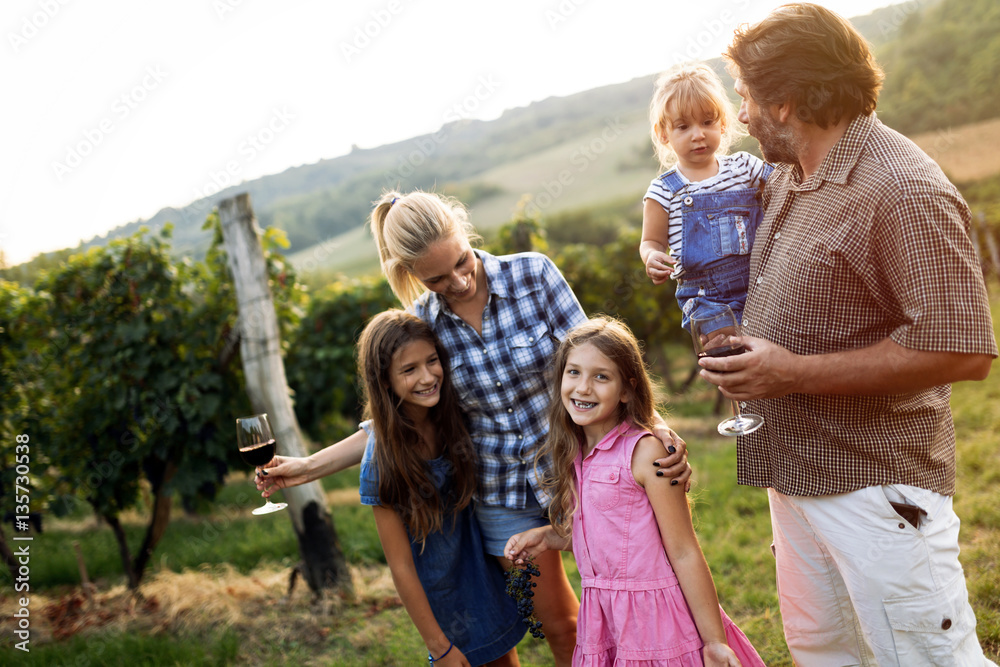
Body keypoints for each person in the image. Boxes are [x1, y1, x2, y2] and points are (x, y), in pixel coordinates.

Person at [256, 190, 693, 666]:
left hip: (583, 471)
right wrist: (307, 467)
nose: (460, 281)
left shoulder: (534, 274)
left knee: (635, 600)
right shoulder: (424, 321)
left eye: (462, 261)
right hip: (503, 496)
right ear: (411, 274)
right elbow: (391, 421)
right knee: (564, 627)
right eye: (438, 279)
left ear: (466, 234)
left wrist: (654, 428)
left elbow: (598, 360)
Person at [699, 3, 999, 665]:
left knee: (925, 657)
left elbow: (965, 349)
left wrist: (788, 374)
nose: (740, 115)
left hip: (878, 489)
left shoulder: (901, 189)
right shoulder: (788, 177)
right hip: (799, 471)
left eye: (747, 97)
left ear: (787, 103)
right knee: (824, 650)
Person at [505, 317, 765, 667]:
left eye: (601, 376)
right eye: (574, 372)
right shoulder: (575, 454)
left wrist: (715, 641)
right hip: (603, 620)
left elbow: (684, 550)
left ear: (627, 390)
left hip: (657, 623)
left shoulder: (645, 453)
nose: (583, 388)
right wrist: (550, 537)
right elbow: (609, 536)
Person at [355, 309, 523, 666]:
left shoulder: (448, 417)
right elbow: (400, 567)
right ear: (384, 380)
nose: (428, 376)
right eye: (409, 369)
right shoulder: (381, 463)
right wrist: (439, 646)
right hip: (445, 607)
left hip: (481, 580)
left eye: (432, 361)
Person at [640, 62, 772, 332]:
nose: (698, 134)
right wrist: (651, 256)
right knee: (732, 357)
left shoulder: (744, 167)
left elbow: (787, 184)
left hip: (766, 283)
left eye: (707, 122)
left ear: (723, 123)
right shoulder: (663, 190)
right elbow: (651, 241)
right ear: (663, 134)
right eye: (683, 126)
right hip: (708, 301)